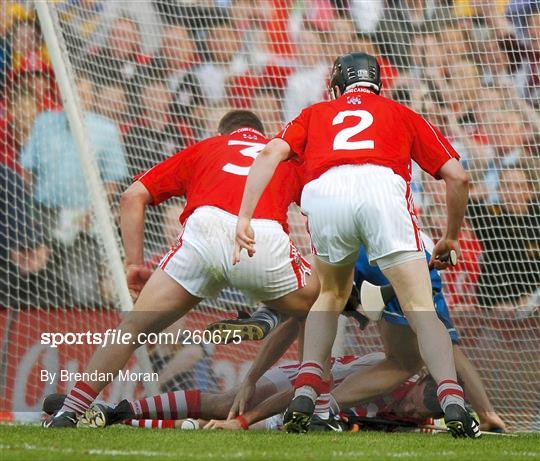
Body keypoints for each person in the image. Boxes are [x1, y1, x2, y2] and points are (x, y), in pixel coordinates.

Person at [234, 52, 476, 437]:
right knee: (419, 307)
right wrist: (449, 236)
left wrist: (244, 217)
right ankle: (452, 401)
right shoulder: (401, 113)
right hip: (382, 188)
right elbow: (457, 177)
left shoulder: (315, 113)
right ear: (377, 84)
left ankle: (308, 392)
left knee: (328, 296)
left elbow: (269, 153)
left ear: (336, 85)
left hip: (326, 191)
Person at [42, 110, 318, 428]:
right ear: (261, 132)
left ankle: (70, 410)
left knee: (131, 328)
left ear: (221, 132)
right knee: (316, 307)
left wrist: (134, 264)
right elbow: (316, 204)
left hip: (204, 230)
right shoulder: (279, 151)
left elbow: (133, 196)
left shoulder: (206, 147)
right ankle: (305, 387)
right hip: (260, 237)